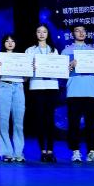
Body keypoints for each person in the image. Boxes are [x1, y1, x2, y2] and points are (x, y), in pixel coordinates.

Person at [61, 24, 94, 163]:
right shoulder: (66, 51)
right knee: (74, 124)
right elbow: (61, 73)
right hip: (74, 91)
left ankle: (92, 152)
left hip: (91, 91)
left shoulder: (93, 51)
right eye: (77, 31)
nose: (81, 33)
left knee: (91, 124)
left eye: (83, 31)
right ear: (72, 34)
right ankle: (75, 151)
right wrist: (69, 66)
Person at [26, 25, 61, 163]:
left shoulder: (54, 50)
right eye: (39, 31)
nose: (41, 34)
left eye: (44, 32)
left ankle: (50, 151)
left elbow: (58, 68)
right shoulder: (30, 50)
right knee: (39, 119)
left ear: (48, 34)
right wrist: (31, 67)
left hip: (52, 86)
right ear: (35, 34)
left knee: (50, 119)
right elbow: (25, 70)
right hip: (36, 86)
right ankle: (42, 151)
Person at [0, 33, 27, 163]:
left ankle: (18, 152)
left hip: (18, 87)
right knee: (3, 120)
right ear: (3, 43)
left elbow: (26, 78)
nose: (10, 43)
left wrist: (29, 70)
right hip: (4, 86)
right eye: (7, 41)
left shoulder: (22, 58)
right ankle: (6, 152)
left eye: (12, 41)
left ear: (16, 43)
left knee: (18, 122)